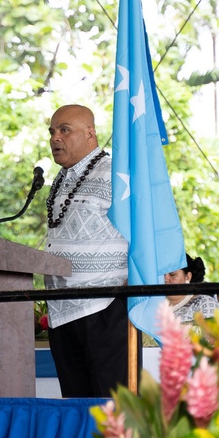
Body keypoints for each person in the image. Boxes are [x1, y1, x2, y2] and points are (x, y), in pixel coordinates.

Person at [43, 104, 129, 398]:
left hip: (103, 307)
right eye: (52, 131)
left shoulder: (116, 175)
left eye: (64, 130)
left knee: (110, 411)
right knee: (75, 408)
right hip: (60, 310)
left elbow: (143, 233)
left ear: (90, 133)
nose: (55, 138)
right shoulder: (60, 180)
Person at [164, 254, 218, 324]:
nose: (165, 279)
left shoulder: (204, 303)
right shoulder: (153, 306)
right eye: (162, 274)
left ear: (188, 277)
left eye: (172, 274)